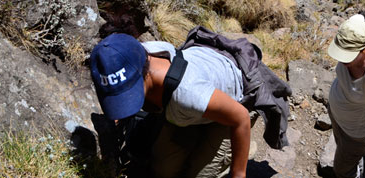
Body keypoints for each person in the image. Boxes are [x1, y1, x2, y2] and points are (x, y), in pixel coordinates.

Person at [90, 31, 251, 178]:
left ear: (145, 74)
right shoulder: (133, 53)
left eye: (130, 93)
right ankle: (198, 136)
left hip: (233, 112)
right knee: (163, 170)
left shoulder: (187, 92)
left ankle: (243, 147)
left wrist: (239, 173)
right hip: (192, 108)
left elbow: (241, 118)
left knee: (197, 176)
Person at [327, 14, 365, 178]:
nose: (342, 59)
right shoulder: (355, 32)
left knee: (341, 169)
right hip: (338, 116)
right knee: (343, 150)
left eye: (347, 54)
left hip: (354, 132)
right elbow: (358, 18)